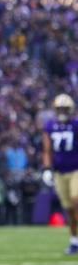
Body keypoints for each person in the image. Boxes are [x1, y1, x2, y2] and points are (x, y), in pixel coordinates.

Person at [41, 93, 78, 255]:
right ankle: (74, 242)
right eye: (59, 108)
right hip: (59, 172)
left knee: (76, 202)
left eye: (65, 108)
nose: (62, 111)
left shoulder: (76, 125)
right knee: (69, 210)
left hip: (76, 169)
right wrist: (47, 169)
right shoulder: (50, 126)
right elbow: (47, 149)